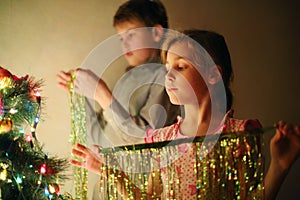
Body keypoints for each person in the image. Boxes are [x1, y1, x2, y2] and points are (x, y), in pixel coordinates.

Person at [70, 29, 300, 199]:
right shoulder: (161, 140)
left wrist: (279, 167)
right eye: (167, 68)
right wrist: (107, 171)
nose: (168, 76)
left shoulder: (240, 135)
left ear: (213, 75)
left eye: (180, 67)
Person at [56, 0, 181, 199]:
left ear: (156, 33)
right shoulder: (126, 81)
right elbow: (98, 138)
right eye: (121, 38)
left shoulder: (168, 79)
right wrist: (81, 96)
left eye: (131, 35)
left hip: (138, 189)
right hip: (108, 187)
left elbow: (146, 137)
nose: (125, 44)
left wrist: (102, 94)